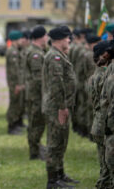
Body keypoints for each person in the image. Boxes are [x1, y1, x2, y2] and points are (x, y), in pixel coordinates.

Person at [42, 26, 79, 188]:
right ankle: (52, 180)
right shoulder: (54, 57)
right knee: (55, 143)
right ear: (58, 39)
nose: (69, 40)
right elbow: (57, 84)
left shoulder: (60, 55)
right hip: (57, 106)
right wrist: (62, 107)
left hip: (60, 105)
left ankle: (60, 173)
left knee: (61, 141)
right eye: (67, 38)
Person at [88, 40, 113, 189]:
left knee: (104, 165)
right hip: (104, 123)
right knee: (107, 169)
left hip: (98, 122)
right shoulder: (104, 75)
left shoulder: (96, 74)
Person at [25, 26, 48, 160]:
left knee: (37, 122)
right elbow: (38, 77)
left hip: (35, 94)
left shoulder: (37, 51)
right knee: (36, 123)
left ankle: (36, 147)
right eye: (45, 36)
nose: (47, 38)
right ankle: (34, 152)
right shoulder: (36, 54)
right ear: (41, 37)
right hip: (36, 95)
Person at [5, 30, 24, 135]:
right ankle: (11, 126)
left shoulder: (15, 50)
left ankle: (15, 124)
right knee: (14, 104)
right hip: (14, 83)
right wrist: (17, 84)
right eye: (20, 38)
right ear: (16, 40)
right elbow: (14, 70)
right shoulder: (12, 51)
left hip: (16, 83)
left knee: (17, 104)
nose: (22, 40)